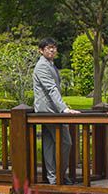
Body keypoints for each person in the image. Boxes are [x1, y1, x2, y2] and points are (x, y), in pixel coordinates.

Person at [32, 38, 79, 184]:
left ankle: (55, 177)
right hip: (47, 110)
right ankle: (58, 175)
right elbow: (51, 89)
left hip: (50, 110)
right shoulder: (42, 66)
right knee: (66, 142)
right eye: (48, 48)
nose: (52, 50)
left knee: (49, 144)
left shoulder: (50, 65)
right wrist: (64, 109)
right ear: (41, 50)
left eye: (54, 47)